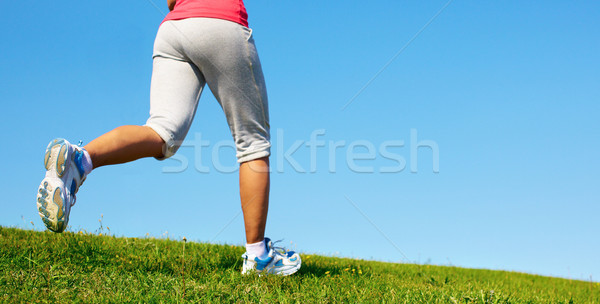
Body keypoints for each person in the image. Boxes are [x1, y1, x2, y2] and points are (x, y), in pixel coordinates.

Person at [35, 0, 301, 276]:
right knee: (253, 143)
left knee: (162, 132)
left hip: (174, 30)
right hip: (222, 23)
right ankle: (258, 257)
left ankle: (80, 160)